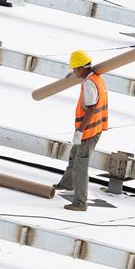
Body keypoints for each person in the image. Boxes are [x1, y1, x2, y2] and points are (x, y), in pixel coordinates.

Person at [55, 50, 109, 212]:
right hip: (94, 127)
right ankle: (67, 183)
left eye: (75, 69)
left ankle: (80, 202)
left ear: (81, 68)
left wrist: (80, 130)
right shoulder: (95, 77)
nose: (74, 71)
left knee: (81, 164)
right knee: (74, 155)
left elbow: (91, 109)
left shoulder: (89, 84)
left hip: (89, 131)